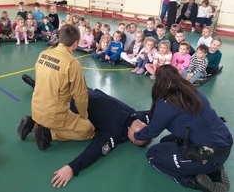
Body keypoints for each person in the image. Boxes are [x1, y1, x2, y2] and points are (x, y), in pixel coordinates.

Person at [18, 76, 151, 188]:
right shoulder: (137, 117)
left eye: (142, 130)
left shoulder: (115, 133)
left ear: (133, 138)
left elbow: (95, 150)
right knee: (59, 90)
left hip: (77, 104)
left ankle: (39, 119)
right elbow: (155, 113)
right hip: (84, 92)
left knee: (84, 126)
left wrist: (72, 167)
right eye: (147, 126)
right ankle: (38, 89)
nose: (144, 124)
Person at [129, 64, 232, 192]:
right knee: (166, 141)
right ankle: (213, 167)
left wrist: (135, 136)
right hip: (223, 143)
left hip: (208, 153)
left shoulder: (168, 102)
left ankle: (193, 180)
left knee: (153, 155)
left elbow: (152, 131)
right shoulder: (192, 92)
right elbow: (159, 115)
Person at [29, 24, 95, 150]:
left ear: (59, 38)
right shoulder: (72, 63)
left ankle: (34, 122)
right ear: (75, 43)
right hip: (54, 115)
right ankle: (49, 134)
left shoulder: (43, 54)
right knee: (88, 131)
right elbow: (81, 95)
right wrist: (84, 117)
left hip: (35, 109)